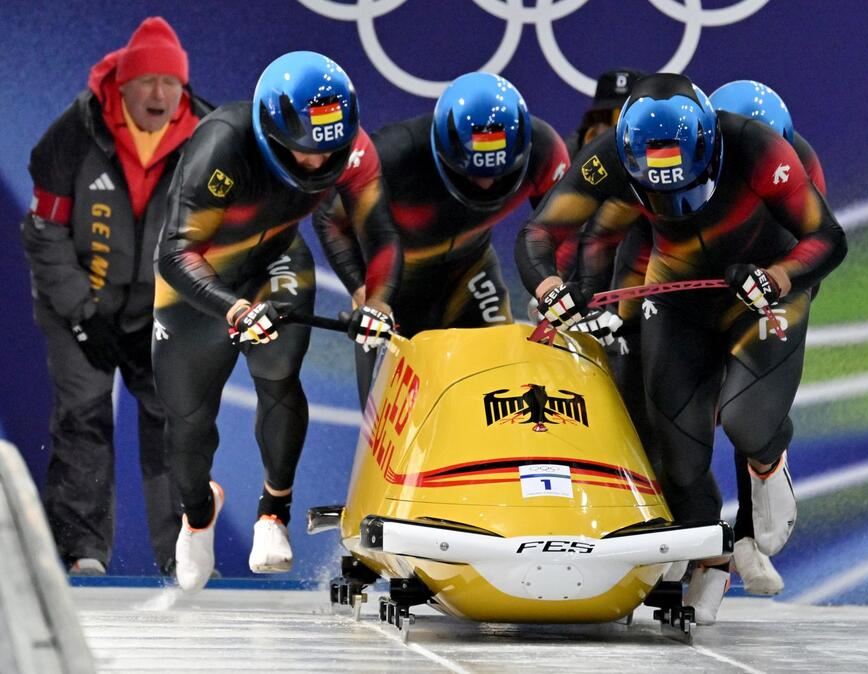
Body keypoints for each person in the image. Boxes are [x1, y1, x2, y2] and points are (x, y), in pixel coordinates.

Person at [516, 73, 847, 623]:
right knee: (680, 456)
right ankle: (710, 556)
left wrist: (780, 278)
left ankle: (767, 460)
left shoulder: (757, 147)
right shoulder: (611, 160)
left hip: (759, 290)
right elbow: (541, 234)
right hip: (678, 294)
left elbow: (828, 239)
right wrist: (552, 290)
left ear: (709, 147)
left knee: (745, 421)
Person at [153, 51, 401, 592]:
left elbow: (380, 235)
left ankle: (274, 513)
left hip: (277, 261)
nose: (316, 163)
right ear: (271, 131)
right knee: (189, 424)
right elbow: (174, 253)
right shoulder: (221, 145)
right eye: (302, 150)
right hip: (199, 280)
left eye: (327, 149)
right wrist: (234, 309)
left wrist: (376, 300)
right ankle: (198, 515)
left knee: (278, 368)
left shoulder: (353, 148)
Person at [20, 17, 210, 576]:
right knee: (83, 419)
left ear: (183, 89)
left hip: (163, 312)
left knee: (174, 423)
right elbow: (44, 232)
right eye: (146, 81)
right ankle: (81, 554)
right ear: (122, 87)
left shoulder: (207, 137)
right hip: (78, 304)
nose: (157, 94)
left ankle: (182, 556)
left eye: (169, 83)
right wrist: (82, 314)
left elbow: (225, 232)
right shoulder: (71, 134)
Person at [315, 71, 569, 405]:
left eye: (500, 171)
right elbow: (330, 219)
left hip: (470, 271)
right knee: (395, 410)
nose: (487, 184)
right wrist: (361, 289)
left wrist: (554, 286)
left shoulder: (544, 150)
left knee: (499, 386)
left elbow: (564, 229)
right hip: (392, 287)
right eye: (474, 171)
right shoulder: (393, 155)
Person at [708, 79, 829, 597]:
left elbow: (813, 254)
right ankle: (692, 541)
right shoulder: (688, 159)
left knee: (745, 404)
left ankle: (750, 534)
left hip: (769, 282)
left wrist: (774, 284)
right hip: (707, 273)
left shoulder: (802, 167)